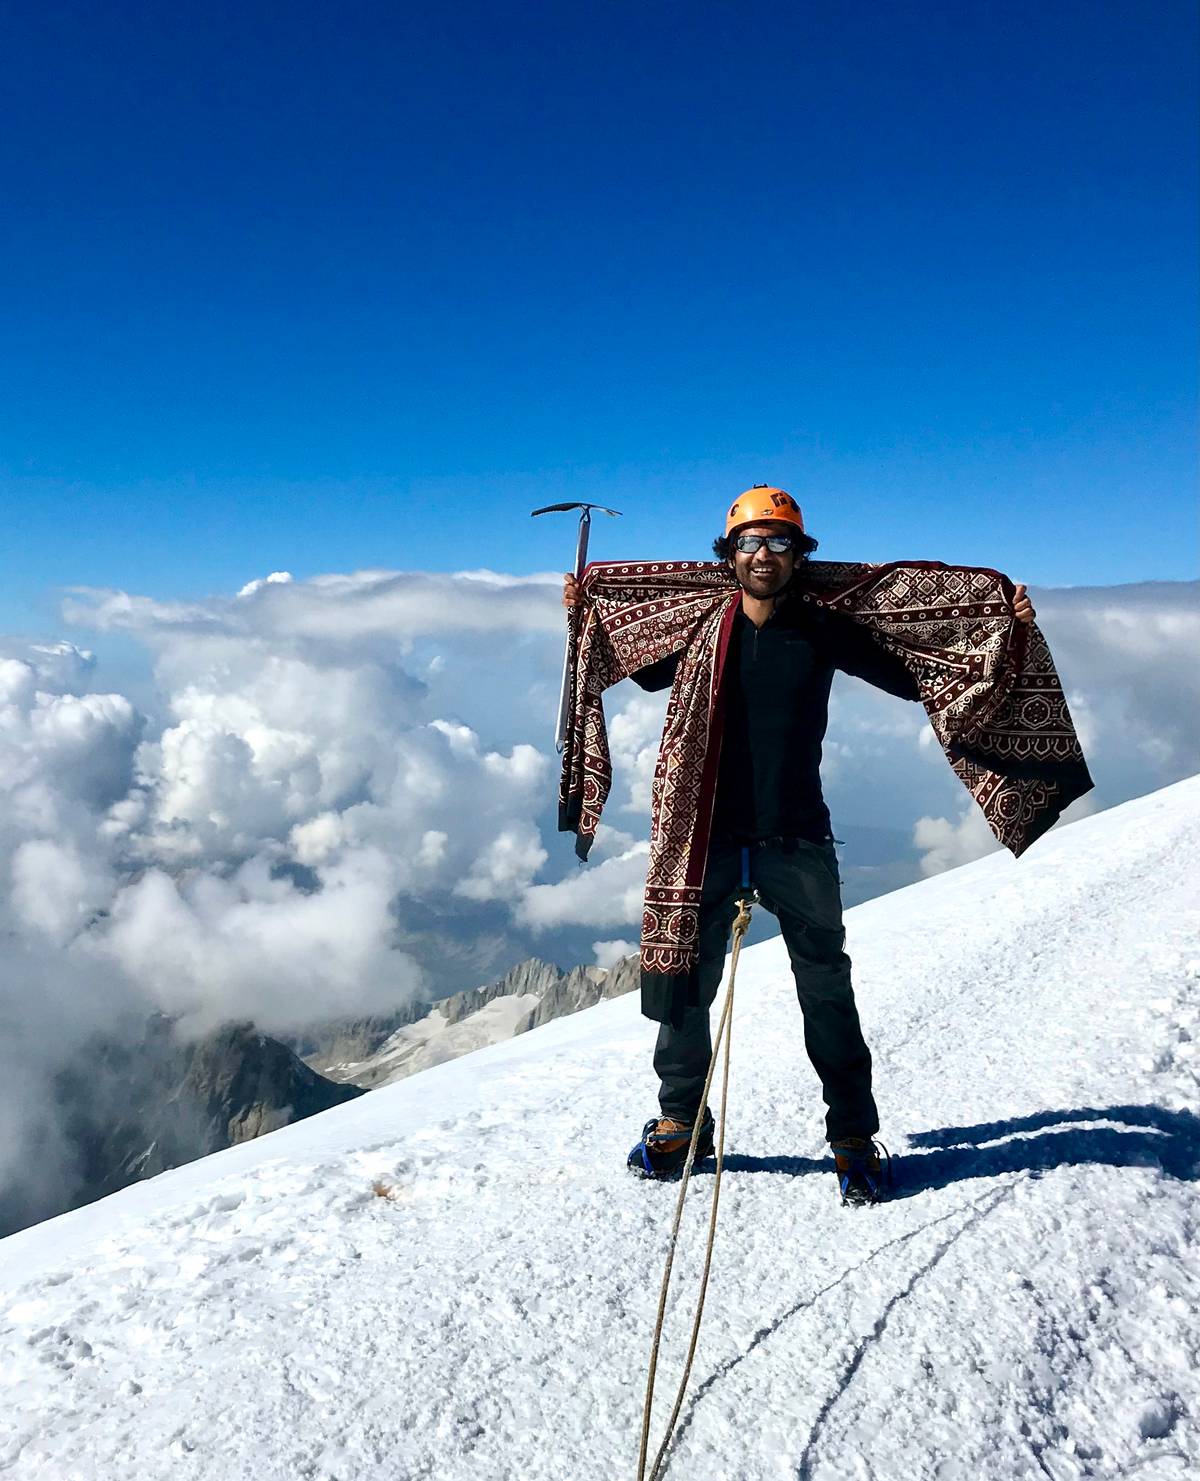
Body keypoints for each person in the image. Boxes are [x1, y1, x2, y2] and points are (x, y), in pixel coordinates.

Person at [562, 486, 1036, 1204]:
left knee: (827, 990)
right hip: (707, 839)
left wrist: (1004, 628)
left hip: (798, 837)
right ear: (728, 555)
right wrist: (585, 613)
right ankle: (680, 1122)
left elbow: (915, 677)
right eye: (750, 542)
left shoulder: (822, 628)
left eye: (779, 542)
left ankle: (852, 1134)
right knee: (685, 987)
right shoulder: (693, 626)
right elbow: (624, 654)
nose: (763, 554)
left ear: (797, 555)